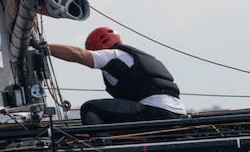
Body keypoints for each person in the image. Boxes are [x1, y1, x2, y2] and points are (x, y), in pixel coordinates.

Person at [48, 27, 185, 125]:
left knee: (90, 109)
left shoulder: (112, 54)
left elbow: (78, 54)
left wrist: (45, 47)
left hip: (154, 112)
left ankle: (101, 146)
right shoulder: (139, 57)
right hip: (178, 114)